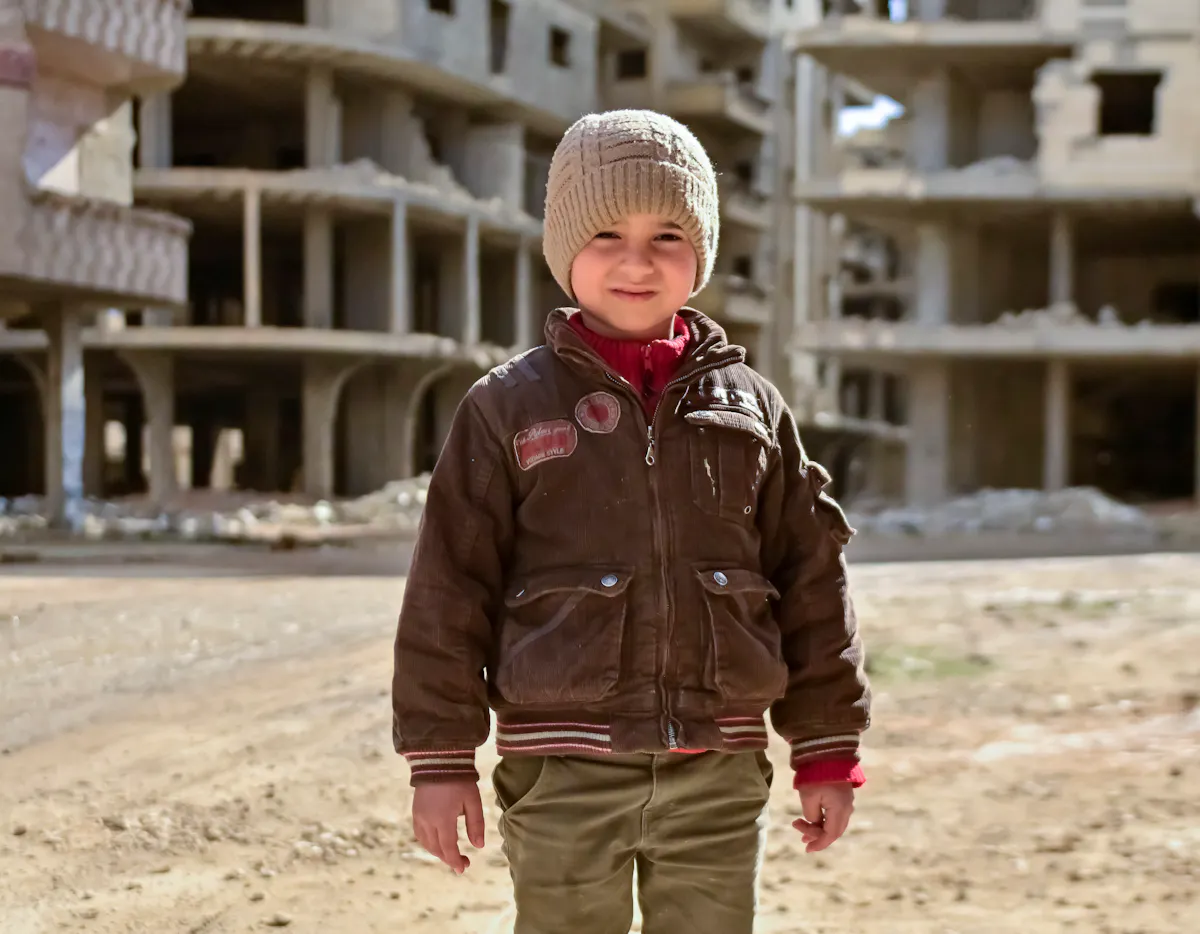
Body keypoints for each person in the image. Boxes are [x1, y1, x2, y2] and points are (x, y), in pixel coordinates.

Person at [392, 109, 870, 934]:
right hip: (561, 770)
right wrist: (440, 761)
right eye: (607, 233)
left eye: (667, 237)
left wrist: (827, 748)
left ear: (702, 252)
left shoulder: (753, 410)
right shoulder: (506, 407)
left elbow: (812, 585)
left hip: (718, 768)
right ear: (564, 248)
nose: (637, 262)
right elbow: (448, 590)